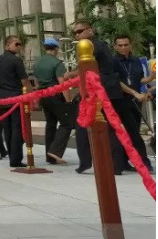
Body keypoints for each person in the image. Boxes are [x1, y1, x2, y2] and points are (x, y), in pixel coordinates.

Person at [64, 20, 150, 175]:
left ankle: (96, 162)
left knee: (94, 126)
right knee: (111, 128)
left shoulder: (93, 45)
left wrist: (70, 74)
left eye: (80, 31)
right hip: (112, 92)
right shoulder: (106, 51)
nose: (77, 35)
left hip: (106, 93)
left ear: (90, 30)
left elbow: (87, 66)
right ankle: (115, 164)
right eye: (75, 32)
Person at [113, 34, 155, 172]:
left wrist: (151, 77)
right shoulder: (113, 61)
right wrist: (135, 93)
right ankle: (144, 162)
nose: (123, 48)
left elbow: (140, 79)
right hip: (121, 101)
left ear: (130, 45)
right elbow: (117, 82)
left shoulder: (136, 60)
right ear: (115, 46)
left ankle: (124, 161)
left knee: (133, 131)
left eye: (126, 45)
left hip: (135, 101)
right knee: (134, 133)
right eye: (120, 45)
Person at [0, 36, 31, 168]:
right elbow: (24, 80)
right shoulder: (16, 61)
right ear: (7, 46)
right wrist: (31, 95)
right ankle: (15, 159)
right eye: (16, 44)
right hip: (16, 99)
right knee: (17, 128)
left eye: (20, 44)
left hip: (3, 99)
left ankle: (13, 157)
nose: (19, 46)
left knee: (8, 129)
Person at [33, 38, 74, 165]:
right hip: (55, 95)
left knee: (50, 124)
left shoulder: (37, 63)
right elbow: (63, 84)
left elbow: (36, 82)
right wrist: (68, 101)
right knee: (67, 123)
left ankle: (50, 156)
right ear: (56, 49)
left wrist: (37, 97)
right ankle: (55, 151)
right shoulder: (57, 63)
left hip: (43, 95)